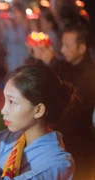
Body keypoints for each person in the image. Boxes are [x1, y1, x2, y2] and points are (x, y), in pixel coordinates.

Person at [58, 25, 95, 179]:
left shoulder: (89, 73)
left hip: (81, 141)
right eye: (62, 45)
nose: (62, 50)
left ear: (82, 48)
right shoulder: (70, 66)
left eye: (67, 46)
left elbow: (75, 107)